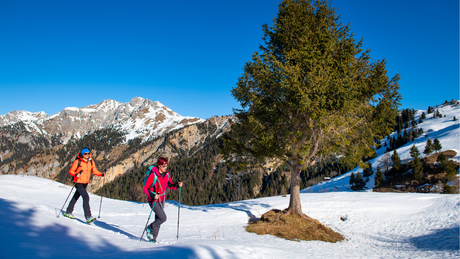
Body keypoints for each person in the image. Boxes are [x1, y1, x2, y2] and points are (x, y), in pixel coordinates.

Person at [143, 157, 183, 243]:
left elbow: (170, 185)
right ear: (159, 165)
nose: (166, 167)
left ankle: (153, 238)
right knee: (162, 218)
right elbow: (145, 188)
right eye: (164, 166)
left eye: (166, 165)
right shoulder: (153, 175)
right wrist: (153, 195)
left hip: (162, 200)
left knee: (158, 218)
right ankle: (150, 228)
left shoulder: (166, 175)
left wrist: (177, 185)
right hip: (153, 200)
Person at [63, 148, 105, 223]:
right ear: (82, 154)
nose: (87, 155)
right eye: (85, 154)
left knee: (76, 196)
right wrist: (76, 174)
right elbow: (71, 171)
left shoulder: (91, 162)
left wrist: (101, 174)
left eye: (88, 153)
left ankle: (68, 212)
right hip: (78, 182)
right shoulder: (77, 161)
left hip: (85, 183)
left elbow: (94, 171)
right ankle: (88, 216)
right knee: (86, 197)